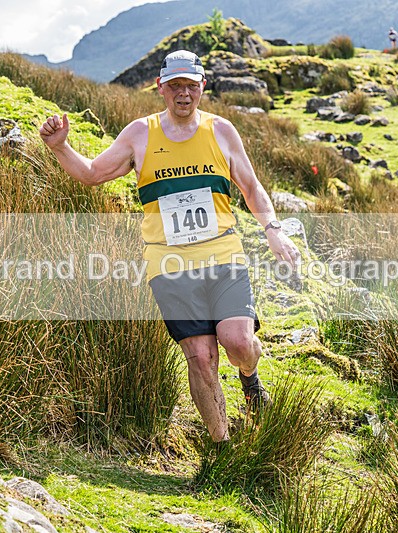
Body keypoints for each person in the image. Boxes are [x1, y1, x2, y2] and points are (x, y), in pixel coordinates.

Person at [39, 50, 301, 444]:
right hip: (169, 265)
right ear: (160, 88)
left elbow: (251, 186)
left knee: (239, 343)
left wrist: (273, 228)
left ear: (202, 87)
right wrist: (60, 147)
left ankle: (250, 378)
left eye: (191, 86)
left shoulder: (222, 131)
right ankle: (222, 446)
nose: (183, 94)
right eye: (175, 86)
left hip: (224, 256)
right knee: (200, 357)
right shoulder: (139, 134)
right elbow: (93, 174)